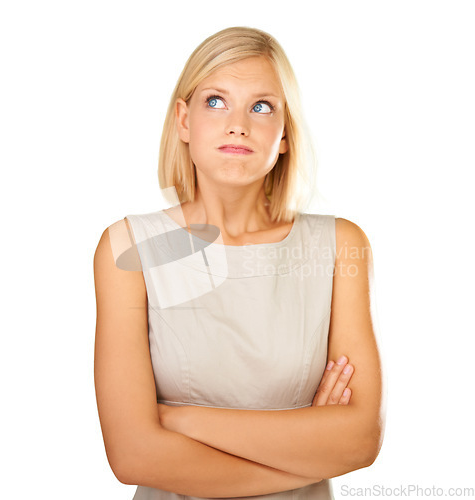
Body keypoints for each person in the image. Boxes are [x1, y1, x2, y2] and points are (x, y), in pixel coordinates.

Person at [93, 26, 385, 500]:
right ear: (183, 122)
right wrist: (306, 449)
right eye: (215, 101)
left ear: (285, 132)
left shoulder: (339, 245)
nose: (238, 124)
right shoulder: (128, 248)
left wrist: (177, 418)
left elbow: (360, 439)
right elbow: (133, 456)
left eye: (261, 106)